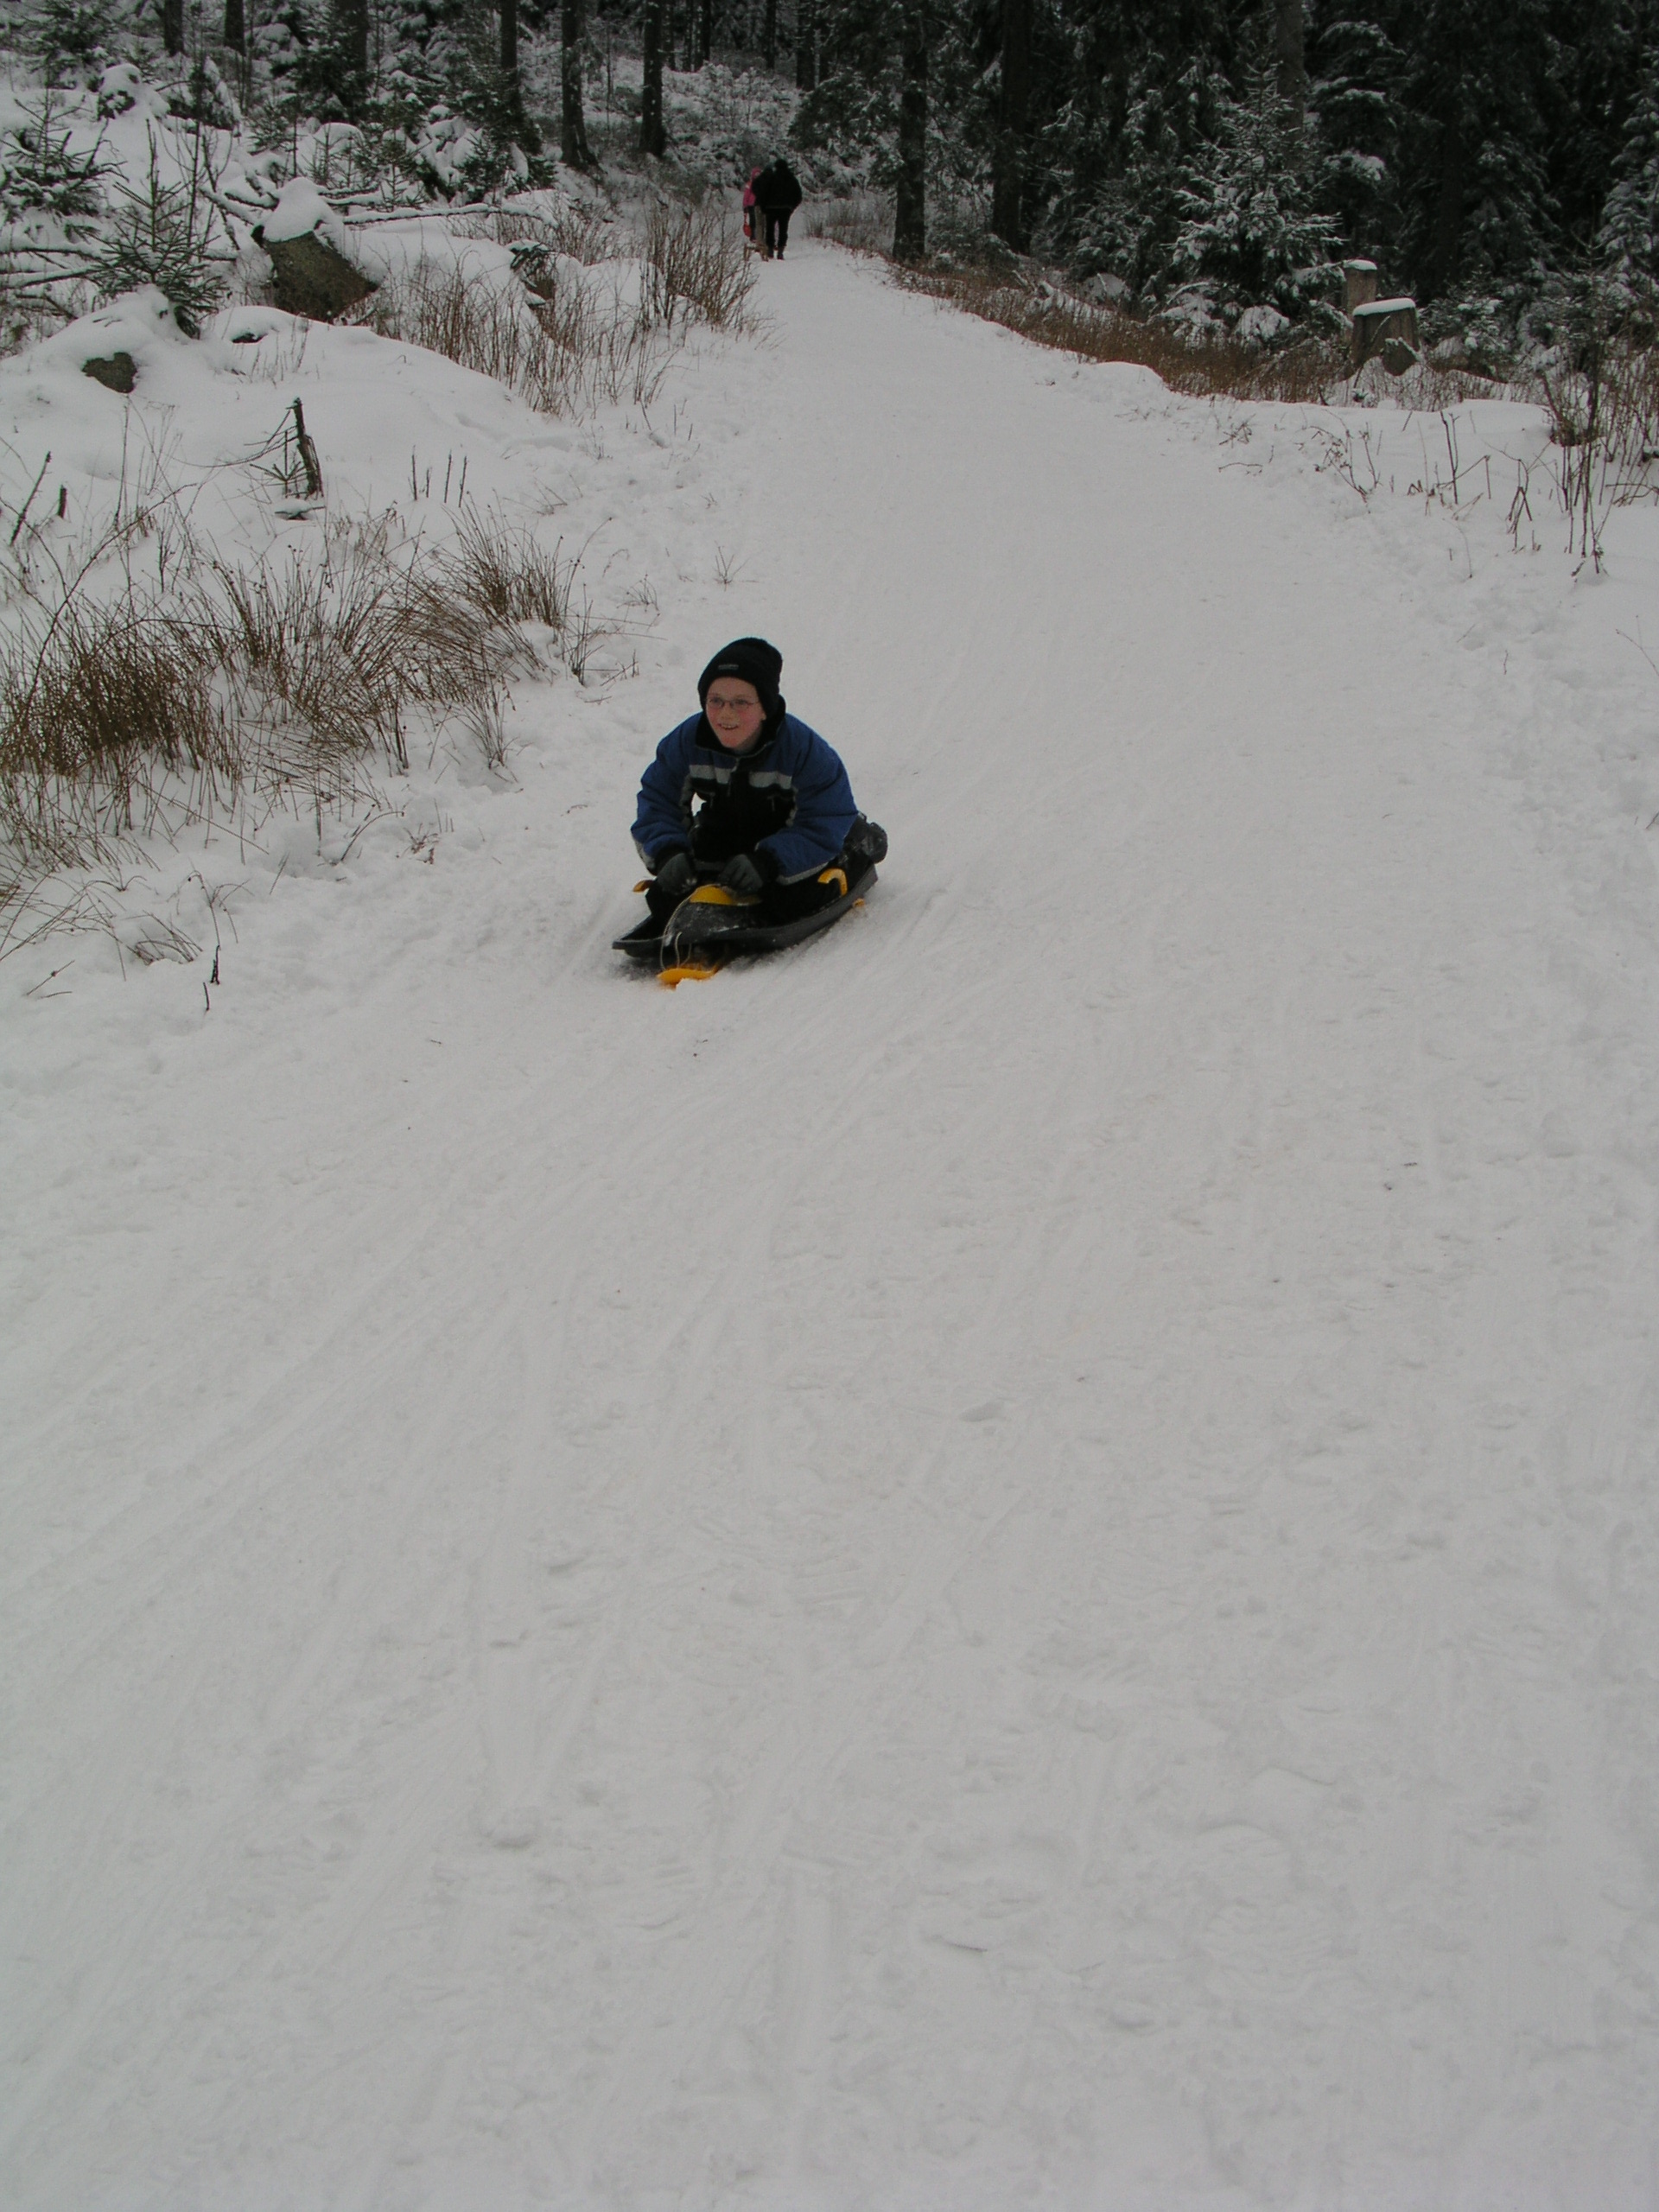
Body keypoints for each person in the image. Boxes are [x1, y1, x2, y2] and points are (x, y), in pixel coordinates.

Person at [630, 637, 886, 931]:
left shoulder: (803, 750)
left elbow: (825, 816)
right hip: (725, 827)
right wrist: (668, 852)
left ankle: (857, 843)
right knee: (665, 899)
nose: (726, 714)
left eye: (741, 703)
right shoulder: (686, 742)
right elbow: (657, 801)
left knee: (792, 901)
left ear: (765, 708)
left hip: (791, 832)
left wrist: (769, 862)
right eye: (716, 701)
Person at [753, 156, 803, 259]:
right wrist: (792, 207)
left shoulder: (771, 178)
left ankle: (770, 250)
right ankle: (780, 251)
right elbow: (798, 195)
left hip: (771, 208)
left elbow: (763, 193)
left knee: (770, 229)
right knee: (783, 230)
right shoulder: (792, 179)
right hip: (785, 209)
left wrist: (763, 207)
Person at [741, 165, 760, 253]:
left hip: (759, 205)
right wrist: (745, 206)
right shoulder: (749, 185)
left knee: (759, 222)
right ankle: (753, 236)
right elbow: (746, 196)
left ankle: (758, 236)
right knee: (753, 221)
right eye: (756, 175)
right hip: (751, 205)